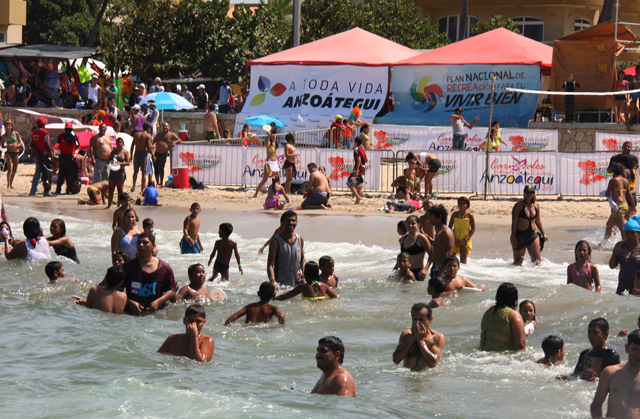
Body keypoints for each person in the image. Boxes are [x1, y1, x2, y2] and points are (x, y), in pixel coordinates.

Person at [122, 232, 177, 315]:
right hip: (132, 314)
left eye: (145, 242)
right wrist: (129, 303)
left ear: (153, 246)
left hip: (157, 314)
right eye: (139, 242)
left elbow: (171, 290)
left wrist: (157, 302)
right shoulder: (127, 267)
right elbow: (115, 291)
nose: (141, 245)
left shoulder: (164, 268)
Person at [591, 329, 640, 419]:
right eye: (635, 349)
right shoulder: (610, 373)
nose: (639, 354)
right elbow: (596, 404)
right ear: (627, 348)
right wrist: (597, 417)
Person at [392, 303, 445, 371]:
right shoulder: (406, 335)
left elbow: (433, 363)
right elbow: (396, 360)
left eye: (421, 320)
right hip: (407, 379)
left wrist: (421, 341)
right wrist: (412, 339)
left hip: (425, 379)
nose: (417, 323)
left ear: (430, 320)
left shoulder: (437, 338)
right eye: (415, 320)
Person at [480, 282, 526, 351]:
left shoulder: (487, 313)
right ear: (514, 298)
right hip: (504, 358)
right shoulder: (513, 315)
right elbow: (520, 345)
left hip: (483, 354)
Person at [267, 211, 306, 290]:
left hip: (297, 284)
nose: (291, 223)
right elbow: (270, 265)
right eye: (288, 220)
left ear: (297, 222)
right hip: (281, 286)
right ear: (282, 222)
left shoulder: (299, 239)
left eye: (293, 220)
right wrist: (273, 282)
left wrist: (304, 273)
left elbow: (302, 258)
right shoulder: (276, 241)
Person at [511, 185, 548, 266]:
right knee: (517, 263)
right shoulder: (518, 206)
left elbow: (538, 220)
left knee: (537, 262)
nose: (529, 194)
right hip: (520, 236)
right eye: (527, 192)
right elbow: (514, 222)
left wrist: (543, 233)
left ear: (533, 194)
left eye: (531, 193)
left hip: (532, 235)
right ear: (524, 193)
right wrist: (513, 237)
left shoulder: (536, 205)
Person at [274, 261, 339, 301]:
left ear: (305, 273)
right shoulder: (324, 286)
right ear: (317, 272)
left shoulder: (303, 287)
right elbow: (337, 297)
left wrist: (273, 299)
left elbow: (285, 296)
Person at [609, 215, 640, 295]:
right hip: (621, 290)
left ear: (638, 233)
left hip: (637, 291)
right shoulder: (619, 245)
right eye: (627, 233)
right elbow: (612, 266)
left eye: (633, 233)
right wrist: (614, 256)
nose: (629, 236)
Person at [605, 164, 635, 241]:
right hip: (625, 205)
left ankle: (626, 244)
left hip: (618, 206)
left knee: (622, 228)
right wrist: (634, 206)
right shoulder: (626, 181)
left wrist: (604, 194)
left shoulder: (613, 180)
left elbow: (607, 194)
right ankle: (604, 242)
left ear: (613, 172)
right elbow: (629, 195)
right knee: (609, 225)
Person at [398, 215, 431, 281]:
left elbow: (432, 254)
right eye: (408, 223)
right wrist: (395, 270)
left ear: (418, 225)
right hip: (404, 272)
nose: (410, 225)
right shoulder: (403, 239)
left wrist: (425, 269)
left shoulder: (421, 238)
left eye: (413, 223)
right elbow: (402, 258)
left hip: (419, 273)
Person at [607, 141, 639, 208]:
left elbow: (634, 169)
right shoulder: (615, 158)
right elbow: (609, 170)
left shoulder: (634, 159)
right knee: (618, 212)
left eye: (629, 147)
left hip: (628, 190)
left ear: (631, 149)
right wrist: (612, 168)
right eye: (625, 146)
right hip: (618, 189)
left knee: (620, 213)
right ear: (622, 147)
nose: (627, 148)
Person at [29, 117, 54, 197]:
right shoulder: (45, 133)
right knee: (47, 173)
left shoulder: (34, 133)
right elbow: (47, 144)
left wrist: (37, 152)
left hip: (38, 156)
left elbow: (31, 144)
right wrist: (51, 153)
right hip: (45, 155)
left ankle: (33, 191)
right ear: (43, 124)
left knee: (37, 173)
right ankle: (46, 192)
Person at [428, 204, 455, 279]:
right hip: (436, 268)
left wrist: (440, 275)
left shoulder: (446, 232)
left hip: (442, 270)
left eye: (431, 216)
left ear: (439, 217)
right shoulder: (439, 231)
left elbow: (447, 254)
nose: (428, 218)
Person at [253, 124, 279, 198]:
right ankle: (255, 194)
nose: (275, 135)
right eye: (273, 134)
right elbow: (267, 146)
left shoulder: (275, 143)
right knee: (265, 179)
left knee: (277, 179)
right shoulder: (269, 142)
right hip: (269, 162)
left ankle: (276, 194)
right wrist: (268, 137)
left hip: (275, 162)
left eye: (275, 134)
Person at [55, 122, 80, 195]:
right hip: (63, 157)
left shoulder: (75, 137)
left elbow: (78, 147)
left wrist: (75, 154)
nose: (68, 130)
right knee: (61, 174)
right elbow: (58, 145)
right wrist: (59, 154)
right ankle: (58, 190)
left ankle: (68, 189)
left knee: (70, 174)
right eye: (67, 129)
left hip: (71, 158)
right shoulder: (60, 136)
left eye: (69, 129)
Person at [448, 196, 475, 264]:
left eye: (464, 203)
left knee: (463, 263)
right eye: (460, 203)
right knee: (450, 260)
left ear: (467, 205)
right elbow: (449, 228)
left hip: (465, 240)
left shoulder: (470, 215)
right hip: (455, 239)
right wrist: (454, 239)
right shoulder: (454, 214)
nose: (462, 205)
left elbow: (473, 229)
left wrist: (467, 239)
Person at [106, 137, 129, 210]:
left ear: (123, 144)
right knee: (111, 189)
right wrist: (110, 161)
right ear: (116, 143)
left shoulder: (124, 152)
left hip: (120, 172)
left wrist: (120, 163)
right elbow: (108, 160)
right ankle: (109, 205)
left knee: (120, 189)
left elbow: (128, 163)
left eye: (121, 142)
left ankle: (119, 205)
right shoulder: (113, 152)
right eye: (118, 142)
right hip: (113, 171)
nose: (119, 144)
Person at [129, 123, 154, 194]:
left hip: (136, 153)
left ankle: (133, 185)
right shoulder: (147, 136)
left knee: (135, 171)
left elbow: (132, 146)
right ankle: (142, 188)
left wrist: (131, 156)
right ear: (149, 129)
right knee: (144, 172)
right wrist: (154, 146)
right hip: (144, 154)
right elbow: (149, 147)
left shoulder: (136, 135)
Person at [0, 120, 24, 189]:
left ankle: (11, 184)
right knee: (9, 169)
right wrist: (8, 146)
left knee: (14, 169)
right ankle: (8, 185)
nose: (8, 127)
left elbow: (20, 143)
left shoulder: (16, 133)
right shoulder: (4, 136)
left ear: (11, 126)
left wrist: (16, 146)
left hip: (16, 152)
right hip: (9, 153)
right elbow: (2, 146)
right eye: (6, 126)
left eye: (9, 126)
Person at [347, 136, 368, 205]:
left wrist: (356, 170)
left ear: (355, 142)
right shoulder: (362, 149)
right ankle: (357, 202)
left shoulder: (357, 149)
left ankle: (357, 197)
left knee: (348, 182)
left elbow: (359, 159)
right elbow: (366, 159)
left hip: (358, 169)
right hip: (363, 169)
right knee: (359, 186)